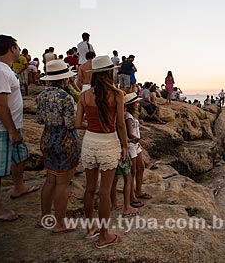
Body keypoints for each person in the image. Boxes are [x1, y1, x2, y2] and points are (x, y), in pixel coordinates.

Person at [0, 35, 39, 221]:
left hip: (9, 126)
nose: (19, 50)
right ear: (11, 48)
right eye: (17, 47)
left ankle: (19, 187)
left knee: (20, 157)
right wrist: (11, 130)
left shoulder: (4, 70)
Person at [75, 55, 128, 248]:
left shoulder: (84, 96)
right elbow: (121, 124)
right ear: (109, 72)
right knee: (105, 192)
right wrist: (125, 145)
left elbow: (77, 123)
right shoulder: (117, 94)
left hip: (90, 141)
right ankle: (104, 235)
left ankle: (91, 229)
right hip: (108, 142)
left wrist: (92, 124)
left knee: (89, 188)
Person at [36, 60, 81, 232]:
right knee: (62, 184)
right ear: (64, 79)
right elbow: (71, 123)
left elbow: (39, 119)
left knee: (50, 180)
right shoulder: (66, 98)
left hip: (47, 139)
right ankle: (60, 223)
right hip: (65, 142)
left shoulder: (41, 96)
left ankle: (45, 218)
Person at [123, 92, 152, 210]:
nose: (138, 104)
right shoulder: (128, 116)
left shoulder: (132, 116)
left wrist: (138, 122)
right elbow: (130, 133)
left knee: (141, 167)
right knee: (132, 171)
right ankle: (132, 196)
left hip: (136, 144)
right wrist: (141, 141)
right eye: (137, 102)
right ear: (132, 104)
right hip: (132, 144)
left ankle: (138, 190)